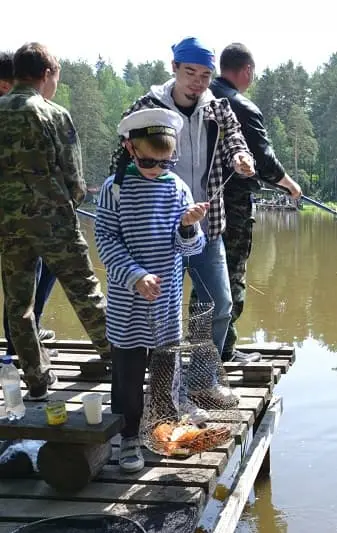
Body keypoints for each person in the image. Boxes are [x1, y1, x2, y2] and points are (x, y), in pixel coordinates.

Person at [108, 37, 256, 378]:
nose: (198, 82)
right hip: (156, 230)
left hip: (205, 226)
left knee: (217, 306)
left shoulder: (218, 107)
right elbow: (122, 156)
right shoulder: (146, 107)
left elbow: (235, 136)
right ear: (174, 68)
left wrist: (241, 156)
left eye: (205, 75)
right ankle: (151, 381)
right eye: (190, 72)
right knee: (154, 309)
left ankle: (203, 379)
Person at [96, 108, 208, 473]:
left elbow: (191, 250)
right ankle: (129, 435)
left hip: (167, 301)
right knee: (127, 372)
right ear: (130, 148)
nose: (157, 168)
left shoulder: (177, 188)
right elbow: (106, 241)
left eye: (166, 161)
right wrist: (135, 275)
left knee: (166, 367)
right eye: (148, 160)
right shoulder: (115, 189)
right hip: (128, 299)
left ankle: (161, 425)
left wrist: (189, 227)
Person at [0, 42, 111, 401]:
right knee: (85, 292)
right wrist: (64, 204)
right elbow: (75, 181)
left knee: (19, 306)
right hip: (54, 224)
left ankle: (37, 381)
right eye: (57, 76)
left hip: (7, 226)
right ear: (46, 74)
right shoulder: (53, 114)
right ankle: (118, 361)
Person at [209, 43, 302, 363]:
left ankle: (206, 347)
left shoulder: (201, 99)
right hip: (232, 206)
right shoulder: (241, 106)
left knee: (207, 277)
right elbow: (264, 161)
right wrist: (289, 184)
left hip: (197, 205)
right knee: (231, 272)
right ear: (246, 70)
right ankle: (223, 349)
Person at [0, 50, 59, 355]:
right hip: (26, 217)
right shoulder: (37, 111)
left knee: (25, 277)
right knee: (22, 279)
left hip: (22, 213)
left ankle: (26, 334)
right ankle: (20, 343)